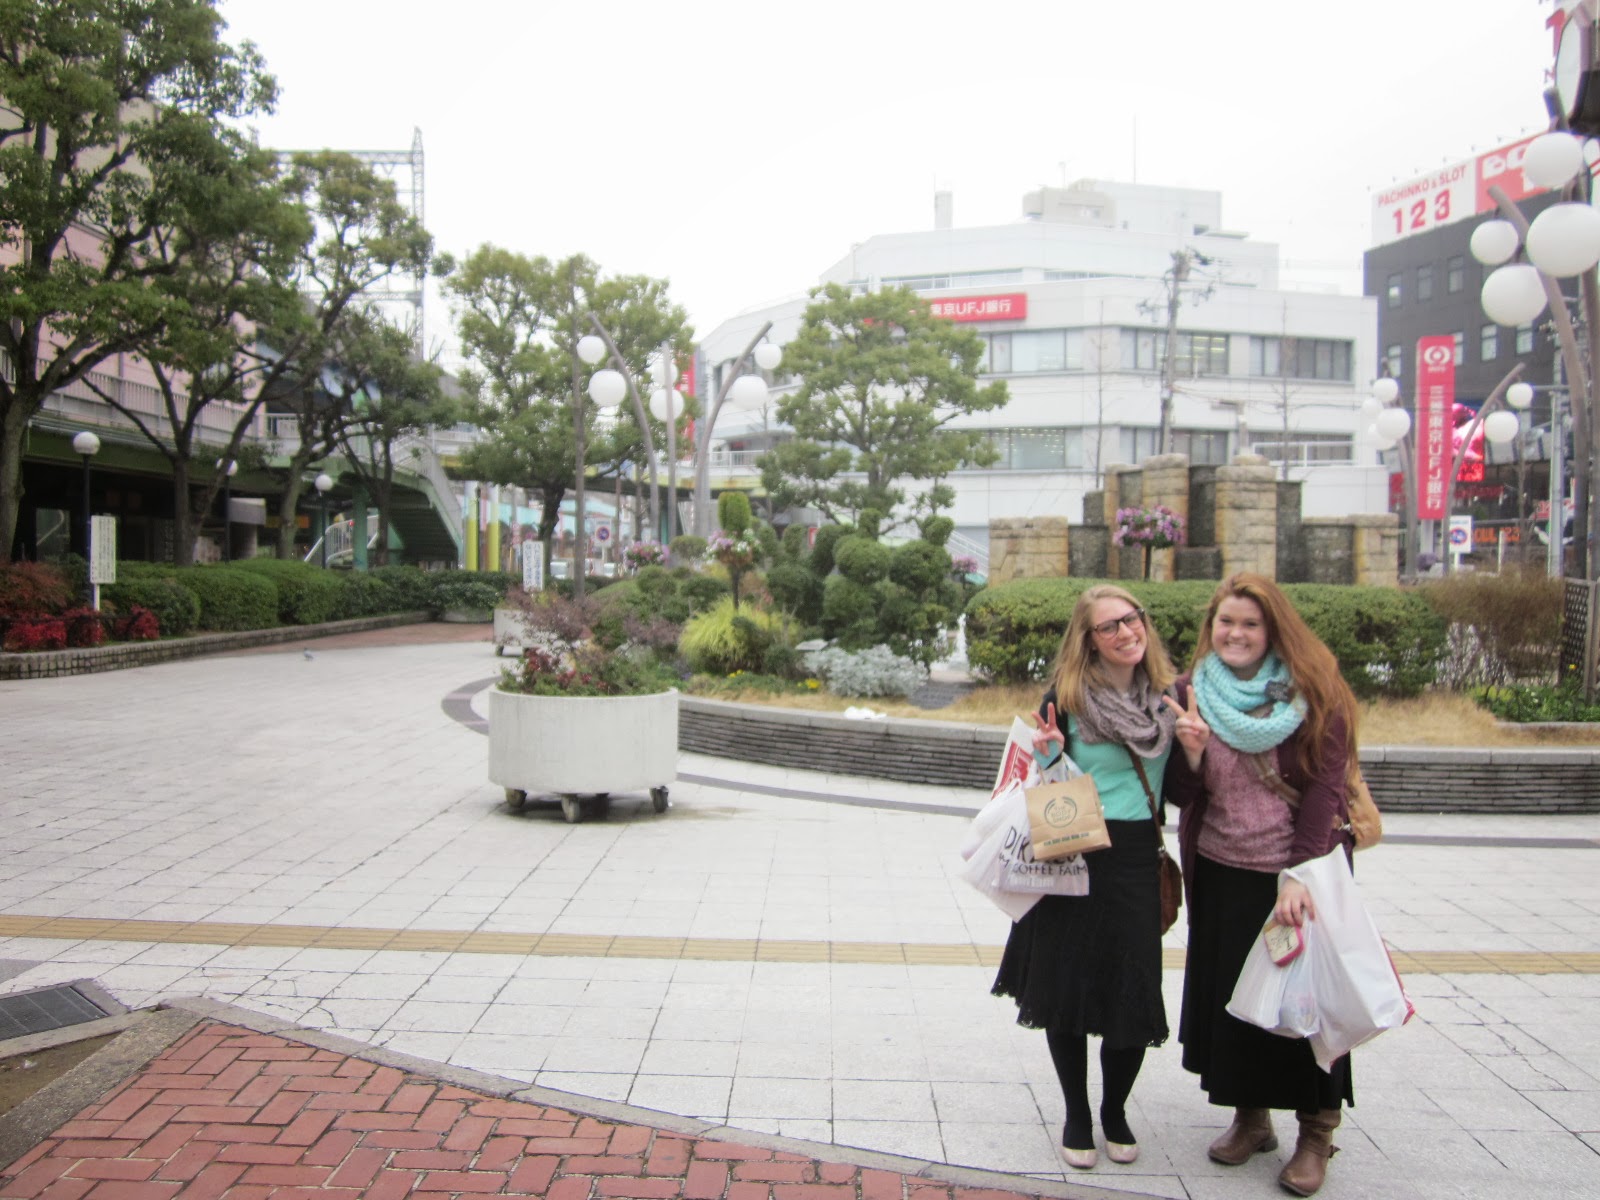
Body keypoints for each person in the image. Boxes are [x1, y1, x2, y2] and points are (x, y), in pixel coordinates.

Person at [1164, 573, 1359, 1198]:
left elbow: (1326, 789)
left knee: (1305, 1007)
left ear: (1274, 630)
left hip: (1295, 877)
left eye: (1251, 624)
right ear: (1211, 627)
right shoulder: (1190, 692)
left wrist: (1300, 874)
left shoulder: (1314, 691)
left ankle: (1316, 1135)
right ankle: (1252, 1119)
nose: (1236, 634)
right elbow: (1180, 794)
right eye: (1226, 622)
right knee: (1235, 1003)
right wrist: (1192, 753)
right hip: (1222, 872)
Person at [991, 584, 1181, 1171]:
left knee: (1132, 989)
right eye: (1110, 626)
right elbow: (1046, 781)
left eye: (1133, 619)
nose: (1127, 632)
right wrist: (1049, 756)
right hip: (1074, 849)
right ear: (1089, 640)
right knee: (1066, 988)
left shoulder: (1168, 700)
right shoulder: (1068, 699)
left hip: (1135, 856)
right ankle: (1076, 1113)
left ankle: (1114, 1110)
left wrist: (1197, 751)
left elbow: (1183, 787)